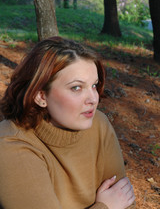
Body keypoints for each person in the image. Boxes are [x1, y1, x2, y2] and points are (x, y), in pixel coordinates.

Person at [0, 37, 135, 209]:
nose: (93, 99)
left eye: (94, 85)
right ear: (41, 96)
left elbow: (126, 201)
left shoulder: (98, 124)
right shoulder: (11, 145)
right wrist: (105, 206)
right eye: (76, 88)